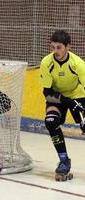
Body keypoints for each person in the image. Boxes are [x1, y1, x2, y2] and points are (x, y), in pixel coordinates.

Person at [39, 30, 85, 181]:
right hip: (57, 98)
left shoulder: (78, 64)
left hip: (78, 94)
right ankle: (64, 160)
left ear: (68, 47)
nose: (55, 51)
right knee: (51, 122)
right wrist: (69, 103)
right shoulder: (47, 63)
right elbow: (47, 92)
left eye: (59, 47)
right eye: (52, 47)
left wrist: (77, 104)